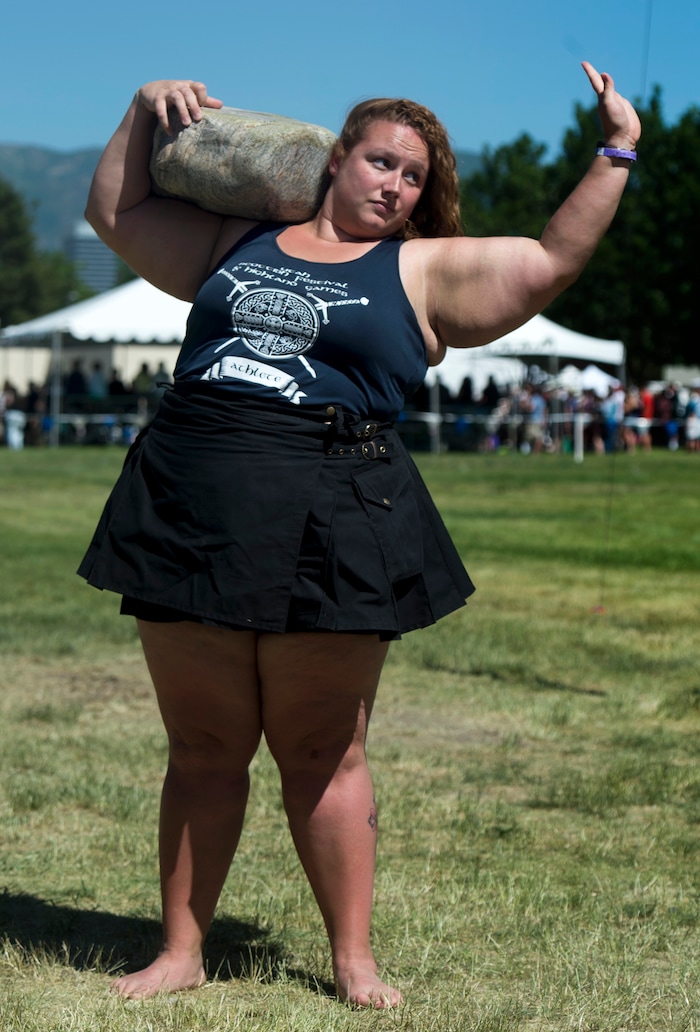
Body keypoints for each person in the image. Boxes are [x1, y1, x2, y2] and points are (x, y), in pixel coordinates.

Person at [78, 64, 640, 1007]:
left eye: (413, 175)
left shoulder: (422, 267)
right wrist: (142, 108)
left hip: (335, 507)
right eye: (379, 161)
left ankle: (353, 959)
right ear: (333, 160)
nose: (394, 184)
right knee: (204, 743)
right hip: (192, 498)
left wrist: (616, 149)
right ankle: (181, 951)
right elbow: (117, 214)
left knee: (322, 750)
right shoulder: (234, 238)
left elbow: (550, 260)